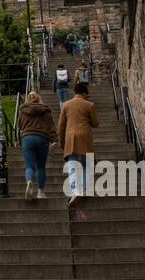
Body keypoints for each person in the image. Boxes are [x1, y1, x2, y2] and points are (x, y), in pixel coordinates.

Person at [57, 82, 99, 219]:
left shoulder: (66, 105)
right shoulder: (89, 105)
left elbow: (61, 126)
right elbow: (95, 123)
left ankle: (75, 190)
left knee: (73, 166)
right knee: (87, 164)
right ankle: (86, 189)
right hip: (85, 136)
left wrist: (61, 142)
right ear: (85, 93)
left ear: (75, 92)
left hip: (70, 136)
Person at [18, 89, 57, 202]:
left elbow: (20, 125)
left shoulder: (23, 109)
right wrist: (54, 140)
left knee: (29, 166)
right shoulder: (45, 110)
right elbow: (51, 126)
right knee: (41, 166)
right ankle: (40, 192)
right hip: (42, 138)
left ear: (28, 99)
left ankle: (30, 181)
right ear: (39, 98)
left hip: (28, 138)